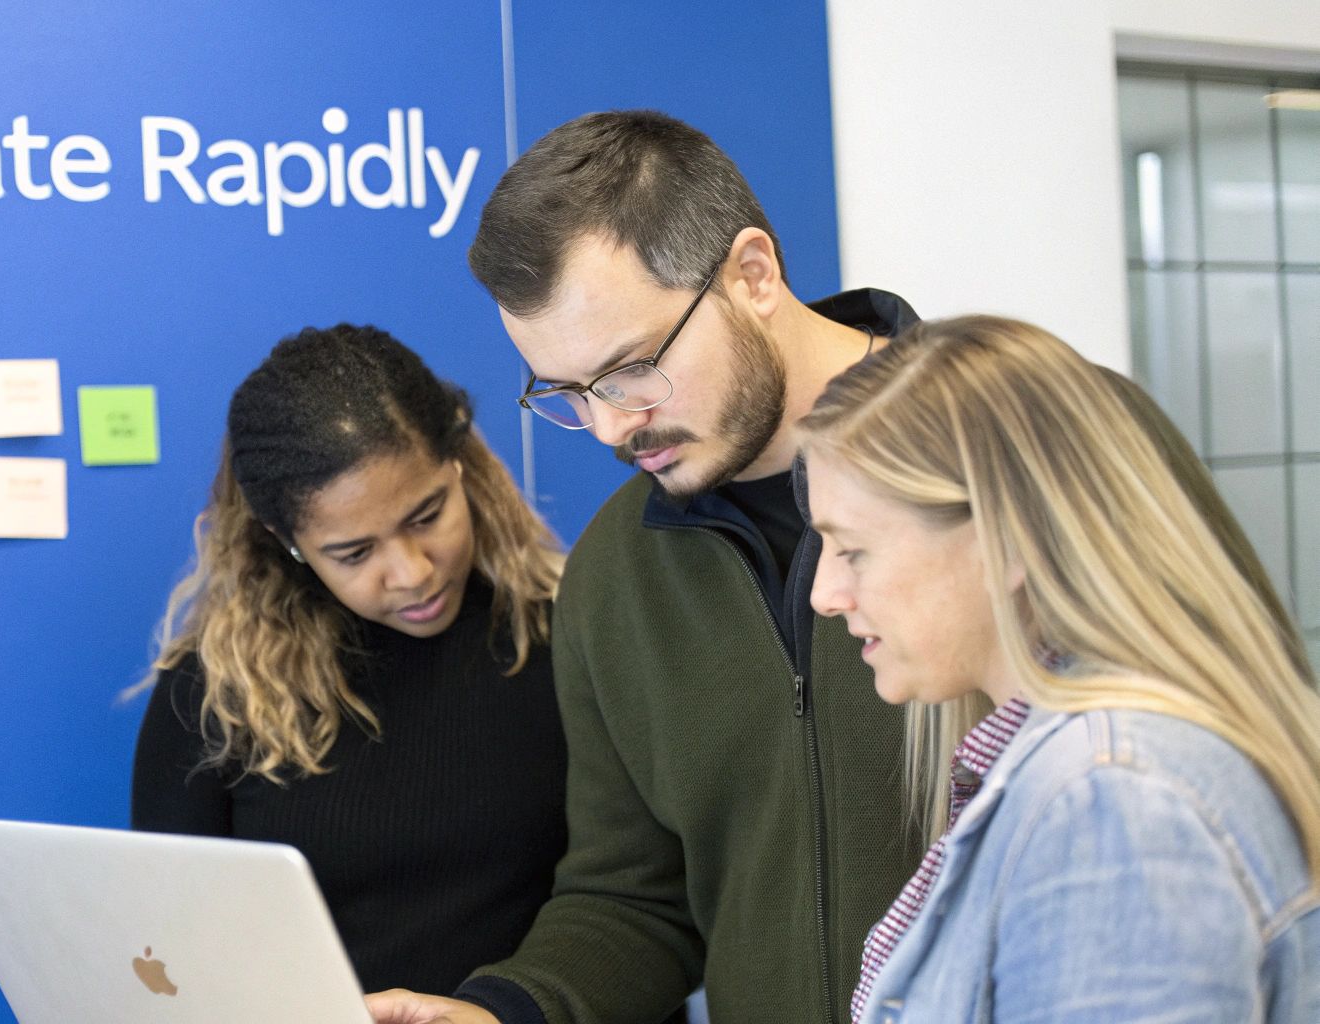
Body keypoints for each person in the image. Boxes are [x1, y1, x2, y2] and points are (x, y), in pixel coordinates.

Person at [366, 110, 1287, 1024]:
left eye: (632, 369)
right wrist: (506, 1013)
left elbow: (1235, 752)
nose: (611, 426)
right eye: (568, 393)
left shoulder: (1047, 447)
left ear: (753, 274)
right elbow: (633, 895)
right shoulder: (614, 573)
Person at [799, 315, 1320, 1022]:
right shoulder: (1083, 772)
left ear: (1010, 539)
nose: (825, 595)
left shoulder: (1110, 804)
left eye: (854, 551)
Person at [130, 323, 570, 997]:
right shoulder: (216, 695)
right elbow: (174, 956)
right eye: (355, 553)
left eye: (427, 515)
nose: (413, 573)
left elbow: (638, 902)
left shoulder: (570, 635)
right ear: (289, 544)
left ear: (458, 464)